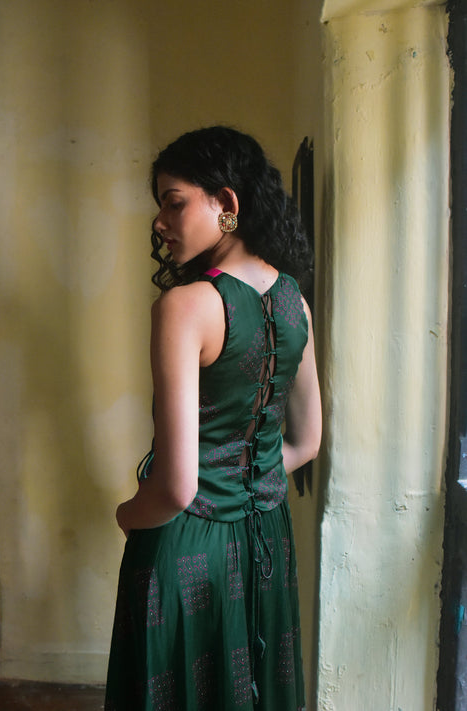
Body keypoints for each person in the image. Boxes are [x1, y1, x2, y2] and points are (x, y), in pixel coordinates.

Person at [104, 126, 321, 711]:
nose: (159, 222)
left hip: (187, 543)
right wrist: (249, 487)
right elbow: (306, 441)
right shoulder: (294, 302)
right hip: (267, 540)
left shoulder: (184, 307)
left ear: (227, 202)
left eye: (173, 202)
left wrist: (128, 514)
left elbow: (177, 488)